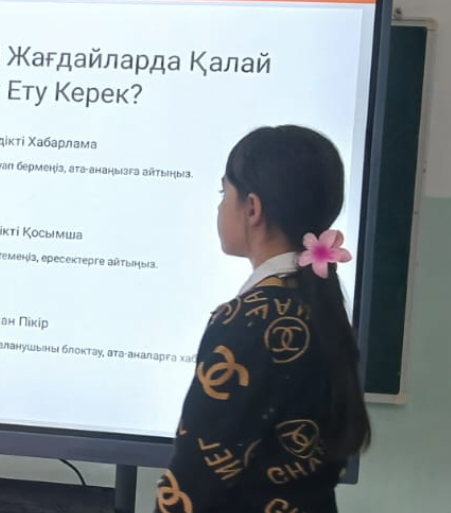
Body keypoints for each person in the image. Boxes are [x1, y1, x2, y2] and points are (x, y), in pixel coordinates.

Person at [155, 125, 370, 513]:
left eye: (224, 193)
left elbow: (194, 481)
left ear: (252, 208)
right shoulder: (319, 307)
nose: (220, 207)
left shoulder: (247, 320)